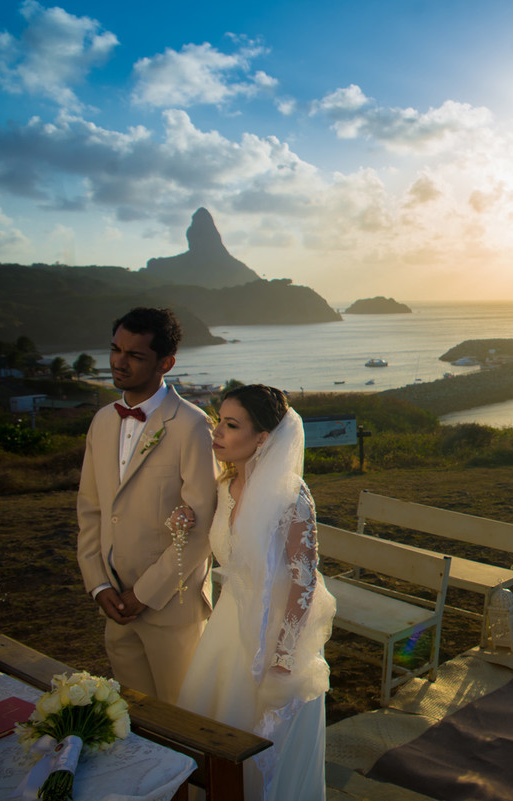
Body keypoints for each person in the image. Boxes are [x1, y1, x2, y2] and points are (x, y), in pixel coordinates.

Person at [177, 384, 336, 801]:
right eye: (219, 420)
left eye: (231, 425)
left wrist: (283, 656)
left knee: (259, 750)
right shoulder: (224, 486)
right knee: (214, 735)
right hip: (227, 626)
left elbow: (304, 579)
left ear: (263, 438)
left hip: (274, 637)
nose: (218, 432)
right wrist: (187, 519)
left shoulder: (292, 496)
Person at [76, 307, 218, 702]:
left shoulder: (191, 426)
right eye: (115, 350)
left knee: (184, 716)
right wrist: (98, 583)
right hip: (114, 601)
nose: (119, 362)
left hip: (171, 605)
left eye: (135, 355)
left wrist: (144, 594)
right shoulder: (103, 421)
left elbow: (204, 523)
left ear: (165, 363)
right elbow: (91, 509)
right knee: (134, 715)